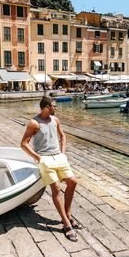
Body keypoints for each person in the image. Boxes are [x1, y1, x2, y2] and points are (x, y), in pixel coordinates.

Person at [21, 96, 82, 242]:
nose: (56, 108)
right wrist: (38, 157)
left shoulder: (55, 120)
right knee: (55, 188)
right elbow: (24, 144)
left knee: (73, 182)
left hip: (58, 157)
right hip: (45, 159)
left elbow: (62, 136)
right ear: (47, 107)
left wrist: (63, 153)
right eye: (54, 106)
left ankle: (67, 215)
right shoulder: (34, 123)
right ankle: (67, 224)